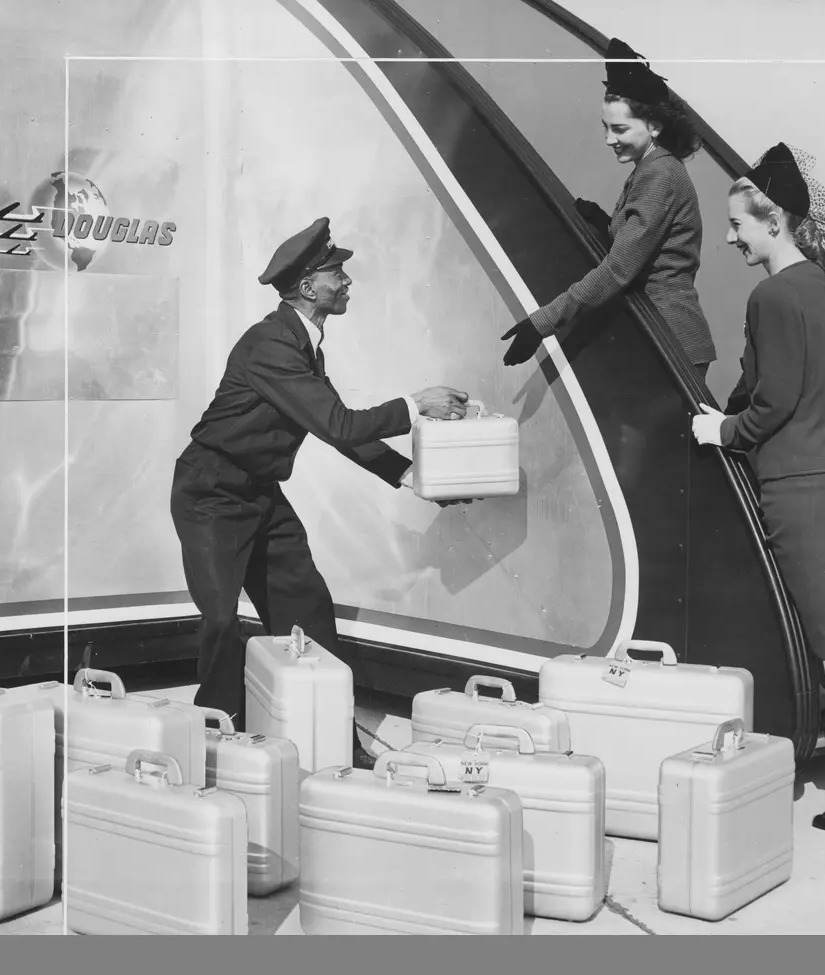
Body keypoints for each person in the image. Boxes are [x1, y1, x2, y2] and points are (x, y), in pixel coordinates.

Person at [171, 217, 470, 770]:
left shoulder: (302, 345)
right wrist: (415, 405)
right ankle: (214, 739)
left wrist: (415, 479)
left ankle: (334, 738)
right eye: (338, 273)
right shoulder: (270, 345)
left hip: (260, 495)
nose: (347, 281)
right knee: (220, 622)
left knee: (306, 610)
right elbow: (339, 423)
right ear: (309, 287)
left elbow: (339, 430)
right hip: (211, 493)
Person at [691, 143, 825, 836]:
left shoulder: (773, 295)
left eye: (738, 225)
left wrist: (721, 430)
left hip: (799, 484)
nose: (731, 238)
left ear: (773, 220)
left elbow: (773, 401)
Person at [501, 37, 717, 379]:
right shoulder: (655, 167)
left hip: (670, 342)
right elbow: (648, 248)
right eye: (606, 127)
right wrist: (607, 225)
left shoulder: (659, 174)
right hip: (661, 335)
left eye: (620, 129)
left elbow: (618, 270)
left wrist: (543, 322)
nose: (609, 139)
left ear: (654, 125)